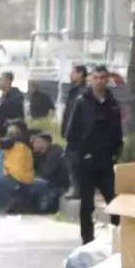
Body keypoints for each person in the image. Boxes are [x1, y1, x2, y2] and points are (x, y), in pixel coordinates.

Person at [65, 64, 123, 244]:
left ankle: (117, 238)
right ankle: (87, 240)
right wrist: (81, 153)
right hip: (86, 161)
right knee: (87, 204)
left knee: (113, 201)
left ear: (107, 79)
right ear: (91, 79)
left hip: (106, 160)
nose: (99, 81)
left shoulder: (112, 103)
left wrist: (115, 154)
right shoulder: (82, 101)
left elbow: (117, 131)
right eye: (96, 78)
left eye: (103, 78)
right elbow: (71, 132)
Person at [0, 124, 36, 212]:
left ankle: (2, 204)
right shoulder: (27, 146)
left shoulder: (11, 143)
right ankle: (10, 202)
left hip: (14, 179)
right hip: (27, 181)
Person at [62, 64, 88, 199]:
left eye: (73, 72)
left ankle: (77, 189)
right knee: (71, 160)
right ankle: (76, 187)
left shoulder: (82, 92)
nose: (70, 74)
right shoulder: (74, 90)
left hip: (77, 134)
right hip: (71, 132)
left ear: (80, 74)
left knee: (74, 161)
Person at [28, 131, 70, 214]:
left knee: (27, 180)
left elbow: (46, 174)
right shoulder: (40, 154)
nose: (33, 144)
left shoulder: (55, 151)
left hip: (57, 187)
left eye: (35, 141)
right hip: (48, 185)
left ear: (44, 142)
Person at [0, 71, 25, 138]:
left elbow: (18, 117)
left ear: (7, 81)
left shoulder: (16, 97)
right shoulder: (1, 96)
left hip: (7, 135)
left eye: (1, 79)